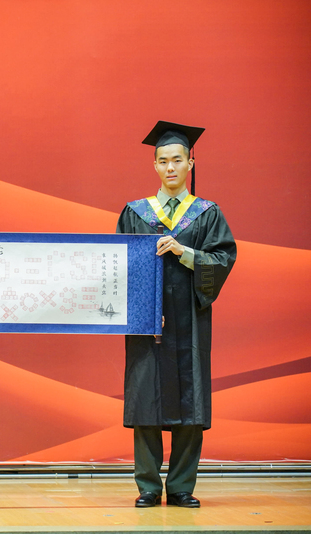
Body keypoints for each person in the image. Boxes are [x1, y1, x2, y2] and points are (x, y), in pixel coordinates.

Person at [116, 121, 236, 508]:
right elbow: (118, 266)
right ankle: (148, 486)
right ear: (154, 165)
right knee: (145, 399)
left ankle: (182, 485)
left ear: (190, 163)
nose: (171, 167)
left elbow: (223, 258)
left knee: (190, 400)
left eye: (178, 160)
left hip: (189, 321)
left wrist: (185, 253)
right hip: (147, 322)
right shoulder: (135, 213)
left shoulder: (207, 213)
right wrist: (139, 308)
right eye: (163, 161)